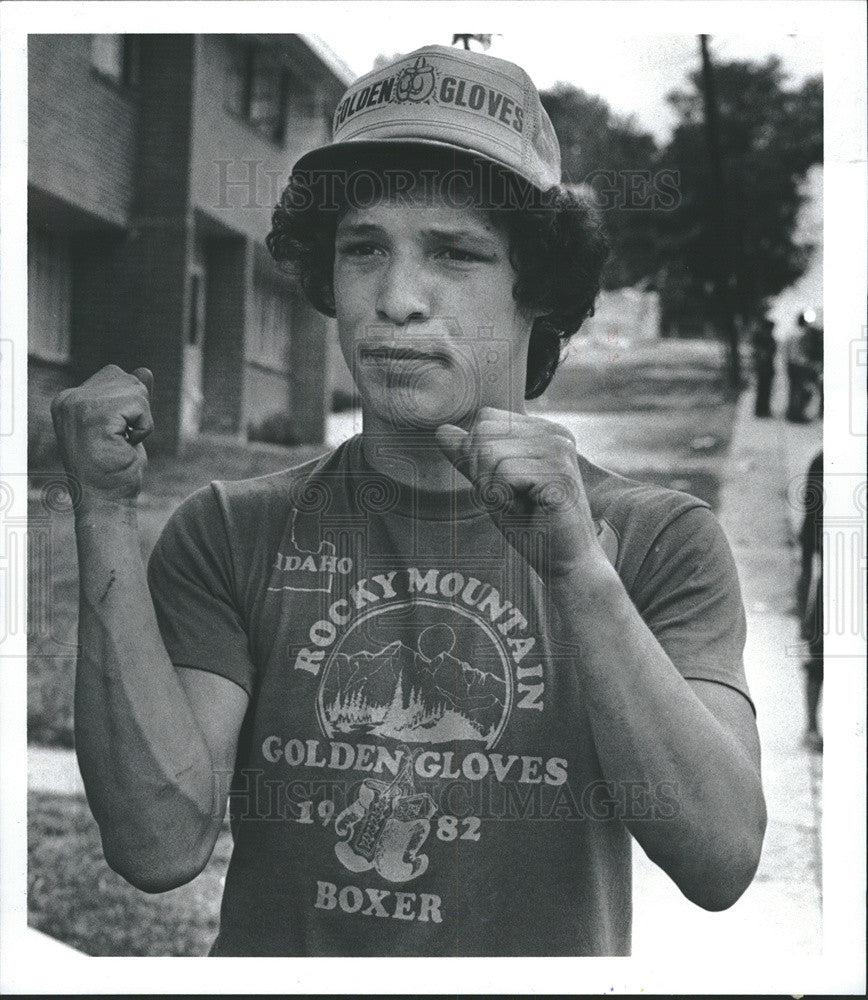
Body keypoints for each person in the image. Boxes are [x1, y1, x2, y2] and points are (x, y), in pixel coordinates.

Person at [51, 44, 766, 957]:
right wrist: (104, 514)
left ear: (536, 288)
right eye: (363, 249)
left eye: (454, 253)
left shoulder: (660, 540)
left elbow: (723, 857)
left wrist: (579, 571)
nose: (395, 300)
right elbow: (157, 845)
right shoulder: (231, 530)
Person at [797, 451, 824, 752]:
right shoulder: (822, 462)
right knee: (820, 655)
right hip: (835, 573)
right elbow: (808, 536)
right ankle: (811, 725)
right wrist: (803, 597)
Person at [751, 316, 777, 417]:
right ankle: (763, 410)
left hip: (763, 367)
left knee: (762, 389)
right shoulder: (767, 338)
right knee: (765, 390)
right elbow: (771, 352)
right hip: (765, 367)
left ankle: (761, 409)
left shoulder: (760, 337)